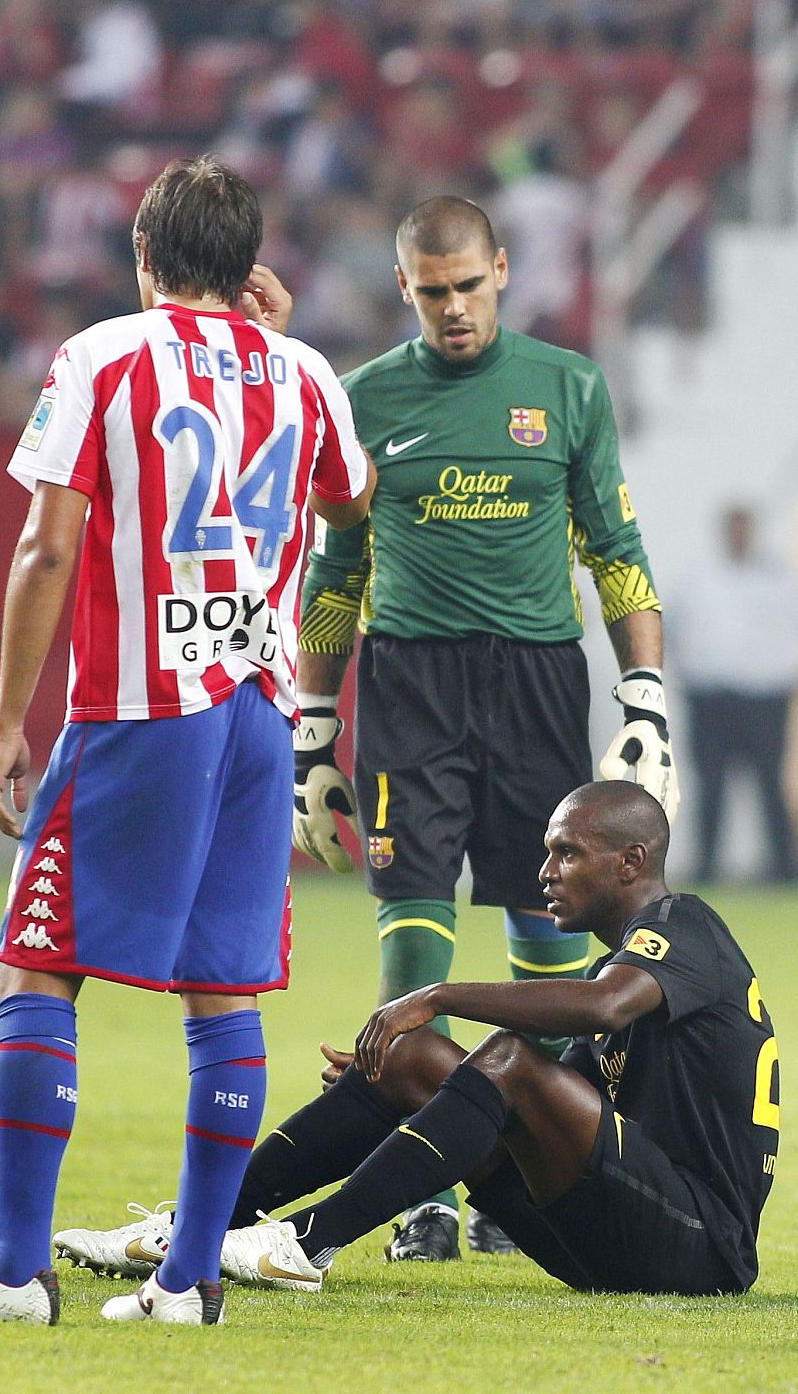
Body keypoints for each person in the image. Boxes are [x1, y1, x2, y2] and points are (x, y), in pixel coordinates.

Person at [0, 156, 374, 1327]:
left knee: (37, 961)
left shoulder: (102, 357)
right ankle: (188, 1280)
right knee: (223, 992)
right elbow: (350, 502)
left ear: (146, 256)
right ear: (247, 261)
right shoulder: (307, 371)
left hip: (137, 711)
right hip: (256, 716)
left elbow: (44, 551)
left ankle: (15, 1273)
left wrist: (9, 719)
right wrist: (279, 349)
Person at [290, 194, 678, 1260]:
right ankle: (423, 1193)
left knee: (546, 929)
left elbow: (617, 548)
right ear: (404, 287)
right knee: (410, 932)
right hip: (411, 681)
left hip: (540, 681)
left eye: (468, 286)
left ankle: (520, 1164)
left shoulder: (567, 386)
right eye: (430, 292)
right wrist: (314, 723)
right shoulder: (364, 400)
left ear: (502, 270)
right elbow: (336, 569)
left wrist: (644, 693)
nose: (453, 309)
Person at [58, 782, 779, 1298]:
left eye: (566, 853)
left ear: (628, 863)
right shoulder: (623, 965)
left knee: (504, 1059)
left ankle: (306, 1243)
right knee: (412, 1058)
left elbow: (600, 1007)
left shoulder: (684, 925)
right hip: (614, 1230)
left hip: (699, 1246)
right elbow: (560, 1102)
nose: (544, 872)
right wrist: (410, 1083)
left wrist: (434, 995)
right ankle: (194, 1228)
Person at [667, 505, 798, 883]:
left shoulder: (779, 579)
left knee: (769, 784)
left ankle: (783, 869)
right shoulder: (697, 578)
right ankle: (707, 867)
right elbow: (674, 630)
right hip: (710, 697)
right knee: (710, 786)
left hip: (764, 696)